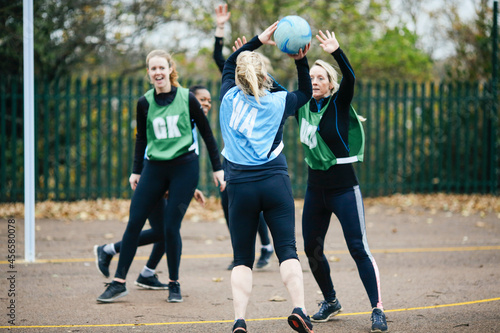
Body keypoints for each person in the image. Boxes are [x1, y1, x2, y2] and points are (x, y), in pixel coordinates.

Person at [96, 49, 225, 303]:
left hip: (184, 168)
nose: (157, 73)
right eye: (153, 69)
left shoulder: (187, 98)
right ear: (149, 73)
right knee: (134, 223)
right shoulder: (144, 103)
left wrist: (217, 168)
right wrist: (136, 171)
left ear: (170, 70)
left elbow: (208, 135)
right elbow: (141, 138)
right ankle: (119, 282)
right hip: (154, 168)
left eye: (161, 68)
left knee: (170, 227)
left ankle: (173, 284)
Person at [219, 22, 314, 333]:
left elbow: (231, 61)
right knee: (287, 249)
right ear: (264, 77)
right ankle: (299, 309)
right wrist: (300, 58)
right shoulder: (278, 101)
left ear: (238, 77)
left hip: (240, 187)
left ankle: (240, 321)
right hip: (274, 182)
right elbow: (304, 93)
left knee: (242, 259)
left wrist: (257, 41)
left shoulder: (227, 98)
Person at [296, 30, 388, 332]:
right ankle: (331, 300)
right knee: (311, 248)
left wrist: (337, 52)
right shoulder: (302, 106)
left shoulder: (339, 103)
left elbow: (351, 78)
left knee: (358, 248)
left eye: (320, 78)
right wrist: (299, 60)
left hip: (344, 189)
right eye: (311, 77)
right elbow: (284, 83)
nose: (314, 81)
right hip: (315, 190)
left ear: (331, 84)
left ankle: (377, 309)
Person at [213, 4, 273, 270]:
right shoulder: (232, 87)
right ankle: (245, 250)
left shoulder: (269, 93)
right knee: (230, 201)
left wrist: (247, 52)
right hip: (234, 155)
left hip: (258, 158)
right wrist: (221, 28)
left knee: (254, 202)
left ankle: (266, 245)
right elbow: (220, 57)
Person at [93, 189, 206, 290]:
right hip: (153, 180)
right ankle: (108, 250)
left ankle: (147, 274)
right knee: (165, 230)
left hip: (164, 178)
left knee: (168, 229)